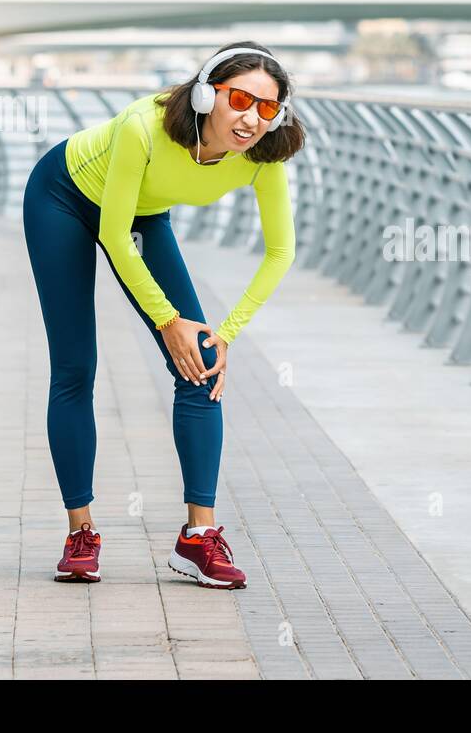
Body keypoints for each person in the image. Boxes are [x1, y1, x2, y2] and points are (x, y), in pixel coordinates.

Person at [21, 41, 302, 588]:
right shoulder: (142, 128)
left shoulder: (262, 158)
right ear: (205, 95)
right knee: (76, 366)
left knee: (202, 365)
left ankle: (198, 538)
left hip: (142, 215)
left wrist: (225, 334)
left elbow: (280, 252)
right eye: (240, 100)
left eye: (267, 108)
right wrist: (167, 320)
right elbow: (112, 235)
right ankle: (81, 532)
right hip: (63, 197)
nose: (250, 119)